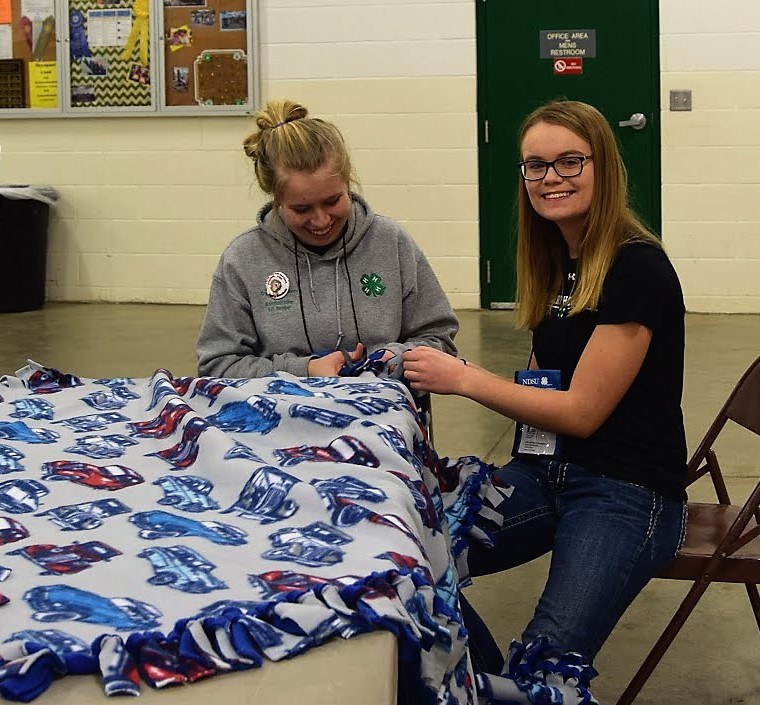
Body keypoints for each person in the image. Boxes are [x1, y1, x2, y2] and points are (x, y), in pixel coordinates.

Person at [402, 100, 687, 686]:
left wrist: (463, 378)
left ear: (603, 167)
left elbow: (581, 413)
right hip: (548, 473)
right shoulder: (559, 260)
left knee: (543, 665)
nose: (550, 177)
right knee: (410, 562)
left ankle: (507, 689)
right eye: (536, 165)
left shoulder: (637, 268)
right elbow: (543, 380)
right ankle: (480, 686)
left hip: (625, 492)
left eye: (569, 162)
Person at [197, 99, 458, 378]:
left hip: (383, 413)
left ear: (348, 182)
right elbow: (217, 365)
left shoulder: (391, 243)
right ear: (277, 199)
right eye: (301, 209)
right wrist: (303, 370)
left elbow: (439, 338)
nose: (321, 220)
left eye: (333, 201)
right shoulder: (243, 259)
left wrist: (398, 360)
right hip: (282, 416)